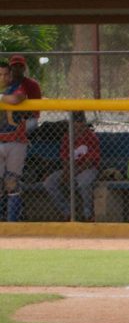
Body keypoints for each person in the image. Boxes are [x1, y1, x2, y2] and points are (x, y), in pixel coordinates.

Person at [1, 55, 43, 222]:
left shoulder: (18, 87)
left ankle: (12, 222)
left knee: (12, 183)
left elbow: (18, 98)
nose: (4, 77)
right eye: (0, 74)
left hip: (15, 141)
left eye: (6, 74)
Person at [44, 111, 100, 222]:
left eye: (81, 123)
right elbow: (65, 159)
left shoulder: (91, 137)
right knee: (49, 183)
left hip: (88, 169)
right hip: (72, 169)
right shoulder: (67, 137)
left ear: (84, 124)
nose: (79, 127)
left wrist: (73, 172)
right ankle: (67, 212)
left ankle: (87, 213)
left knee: (84, 182)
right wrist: (66, 172)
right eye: (76, 123)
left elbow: (90, 161)